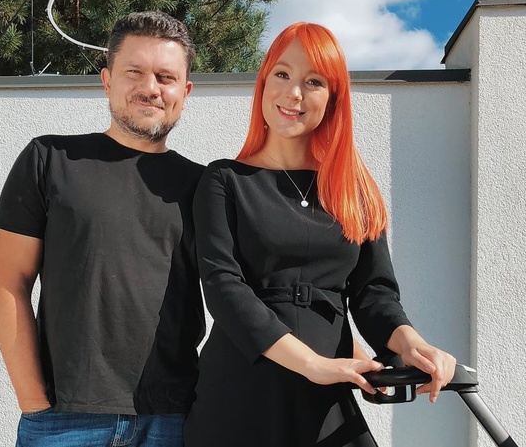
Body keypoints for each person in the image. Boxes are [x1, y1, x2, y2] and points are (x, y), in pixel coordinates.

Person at [184, 22, 456, 447]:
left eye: (313, 82)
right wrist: (311, 364)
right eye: (282, 74)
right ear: (263, 82)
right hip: (241, 389)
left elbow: (374, 294)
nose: (294, 93)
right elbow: (223, 287)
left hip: (327, 392)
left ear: (333, 98)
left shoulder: (354, 189)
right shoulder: (224, 180)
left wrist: (413, 345)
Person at [0, 11, 205, 447]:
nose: (150, 88)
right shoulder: (49, 160)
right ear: (107, 80)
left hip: (172, 420)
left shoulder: (204, 186)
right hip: (63, 421)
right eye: (134, 72)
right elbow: (9, 284)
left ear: (184, 92)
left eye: (165, 77)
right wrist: (33, 401)